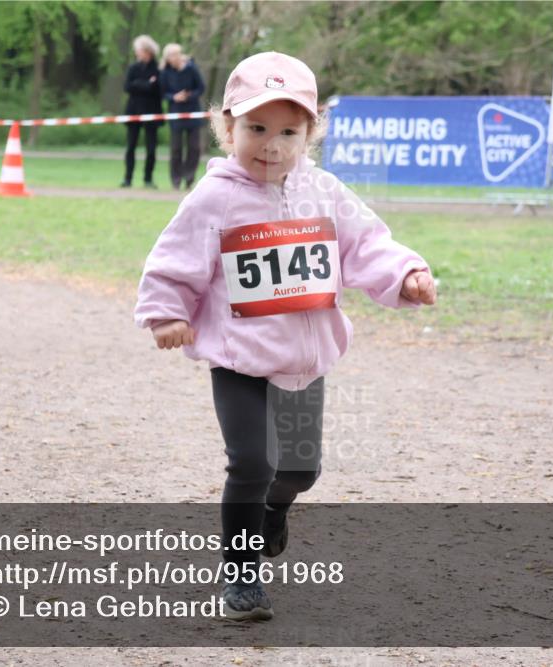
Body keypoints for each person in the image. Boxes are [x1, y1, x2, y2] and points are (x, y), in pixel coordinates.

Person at [134, 52, 437, 621]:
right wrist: (167, 314)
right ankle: (241, 578)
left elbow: (366, 244)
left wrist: (406, 274)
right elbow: (174, 261)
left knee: (298, 472)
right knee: (251, 463)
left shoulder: (324, 191)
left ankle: (273, 512)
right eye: (255, 129)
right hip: (240, 360)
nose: (270, 144)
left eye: (287, 132)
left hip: (305, 360)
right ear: (228, 128)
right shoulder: (214, 198)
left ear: (310, 133)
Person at [160, 43, 205, 190]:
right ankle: (176, 179)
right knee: (176, 149)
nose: (173, 59)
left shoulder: (191, 68)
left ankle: (189, 177)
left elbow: (201, 87)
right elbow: (163, 92)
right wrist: (174, 97)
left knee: (194, 148)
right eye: (170, 57)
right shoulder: (166, 72)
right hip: (176, 114)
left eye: (175, 55)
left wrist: (189, 95)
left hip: (192, 112)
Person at [121, 34, 162, 189]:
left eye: (139, 50)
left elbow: (157, 89)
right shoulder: (133, 68)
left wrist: (139, 85)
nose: (137, 53)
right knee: (131, 146)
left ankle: (148, 178)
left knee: (151, 148)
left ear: (147, 51)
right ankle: (127, 178)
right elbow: (127, 87)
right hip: (133, 111)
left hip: (152, 112)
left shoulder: (157, 68)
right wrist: (145, 84)